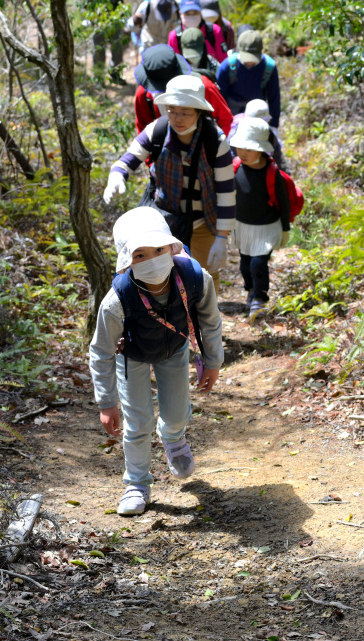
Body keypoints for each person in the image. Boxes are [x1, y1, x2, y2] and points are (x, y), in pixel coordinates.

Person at [89, 206, 224, 516]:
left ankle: (174, 440)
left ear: (172, 248)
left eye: (159, 249)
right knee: (137, 422)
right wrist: (107, 403)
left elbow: (211, 321)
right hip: (131, 356)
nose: (151, 260)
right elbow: (101, 351)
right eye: (140, 255)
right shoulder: (117, 299)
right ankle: (136, 484)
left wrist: (213, 361)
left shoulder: (195, 278)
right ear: (127, 261)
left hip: (174, 349)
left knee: (176, 413)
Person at [104, 75, 235, 292]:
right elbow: (128, 159)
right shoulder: (158, 129)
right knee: (163, 279)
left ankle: (205, 323)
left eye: (185, 113)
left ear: (199, 112)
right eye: (172, 110)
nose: (177, 118)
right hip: (165, 221)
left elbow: (226, 192)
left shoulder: (215, 141)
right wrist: (116, 176)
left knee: (204, 279)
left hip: (203, 221)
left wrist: (222, 237)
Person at [230, 117, 291, 319]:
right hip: (244, 227)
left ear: (262, 149)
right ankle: (250, 290)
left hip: (266, 228)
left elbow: (284, 204)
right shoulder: (236, 167)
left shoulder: (273, 174)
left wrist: (285, 229)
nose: (242, 152)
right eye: (240, 147)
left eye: (249, 148)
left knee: (258, 263)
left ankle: (260, 297)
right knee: (245, 264)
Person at [133, 45, 232, 138]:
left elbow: (225, 119)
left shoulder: (204, 87)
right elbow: (143, 129)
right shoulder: (144, 95)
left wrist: (220, 149)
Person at [217, 30, 281, 127]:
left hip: (259, 112)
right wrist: (221, 124)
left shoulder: (269, 67)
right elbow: (219, 98)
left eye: (253, 58)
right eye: (246, 58)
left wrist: (274, 126)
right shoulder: (228, 66)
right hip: (232, 113)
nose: (250, 63)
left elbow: (274, 99)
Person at [83, 0, 126, 84]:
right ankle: (99, 78)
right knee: (99, 50)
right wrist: (89, 18)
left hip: (114, 19)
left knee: (117, 48)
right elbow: (85, 2)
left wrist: (122, 15)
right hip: (97, 21)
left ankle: (115, 75)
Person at [228, 99, 289, 173]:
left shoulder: (269, 133)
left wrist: (284, 174)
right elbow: (230, 154)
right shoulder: (236, 132)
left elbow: (277, 154)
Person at [167, 0, 228, 65]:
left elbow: (223, 60)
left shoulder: (214, 30)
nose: (191, 16)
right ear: (180, 13)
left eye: (195, 12)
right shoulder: (174, 36)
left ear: (201, 12)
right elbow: (174, 64)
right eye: (187, 13)